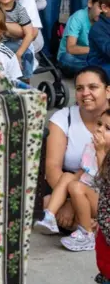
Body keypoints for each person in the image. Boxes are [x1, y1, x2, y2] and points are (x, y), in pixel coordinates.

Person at [39, 67, 109, 236]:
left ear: (107, 91)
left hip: (103, 192)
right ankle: (90, 226)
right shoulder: (63, 119)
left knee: (49, 204)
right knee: (46, 201)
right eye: (79, 88)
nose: (85, 93)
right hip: (75, 186)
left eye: (93, 87)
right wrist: (69, 202)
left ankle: (86, 225)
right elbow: (52, 167)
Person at [58, 0, 100, 76]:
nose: (102, 12)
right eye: (100, 7)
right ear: (90, 3)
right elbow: (70, 49)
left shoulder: (104, 20)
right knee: (66, 60)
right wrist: (96, 50)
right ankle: (98, 71)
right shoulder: (78, 17)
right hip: (74, 56)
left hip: (91, 57)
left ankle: (95, 71)